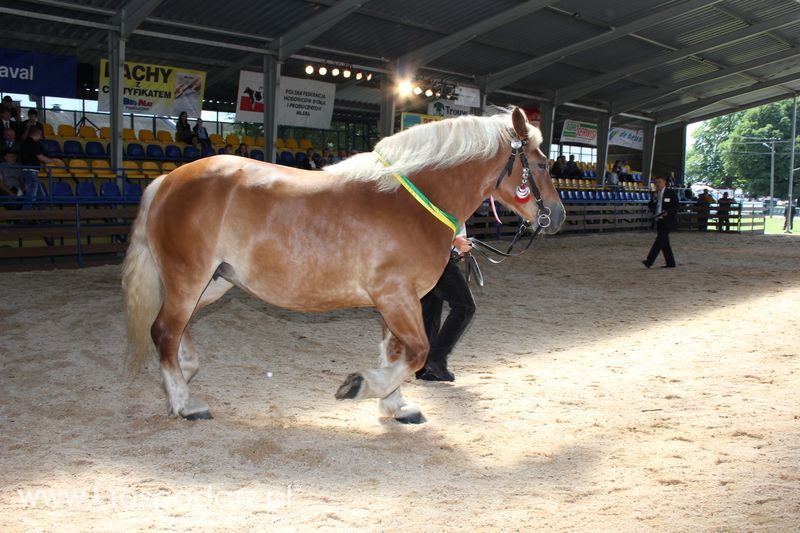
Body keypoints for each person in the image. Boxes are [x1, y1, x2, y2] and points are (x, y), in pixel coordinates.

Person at [416, 227, 476, 381]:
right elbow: (430, 218)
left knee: (430, 308)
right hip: (435, 255)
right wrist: (455, 240)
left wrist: (458, 245)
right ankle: (436, 359)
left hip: (430, 254)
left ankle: (424, 366)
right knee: (464, 307)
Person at [643, 174, 678, 269]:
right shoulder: (655, 193)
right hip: (659, 220)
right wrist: (654, 199)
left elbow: (676, 206)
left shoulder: (671, 192)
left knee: (659, 241)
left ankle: (649, 261)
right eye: (656, 182)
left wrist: (668, 212)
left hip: (668, 221)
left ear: (664, 182)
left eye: (659, 182)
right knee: (665, 243)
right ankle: (671, 263)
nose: (657, 184)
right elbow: (650, 206)